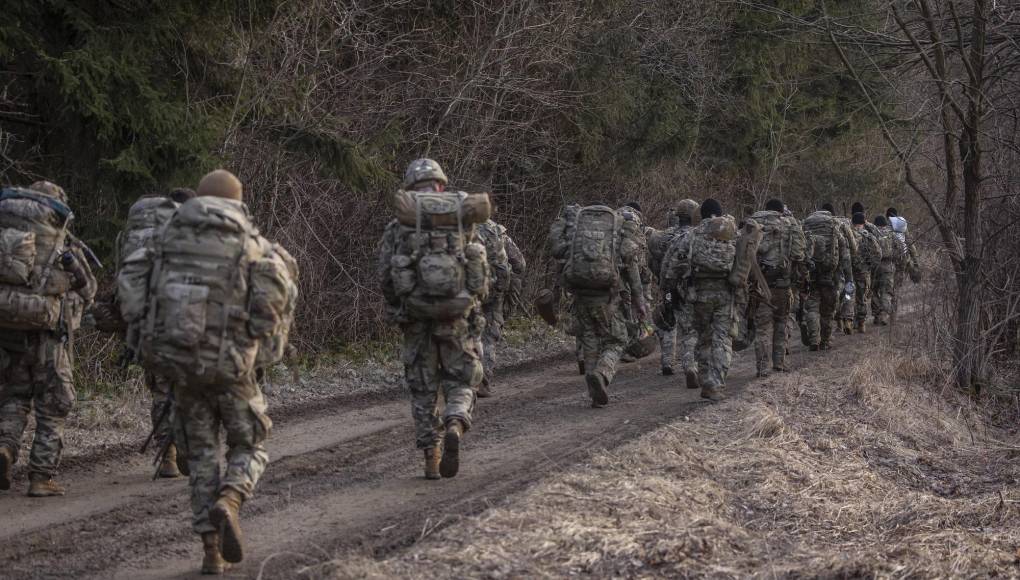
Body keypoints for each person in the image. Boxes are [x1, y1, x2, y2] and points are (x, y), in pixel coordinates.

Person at [117, 169, 298, 574]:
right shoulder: (252, 245)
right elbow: (276, 302)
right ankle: (231, 499)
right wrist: (263, 352)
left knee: (199, 459)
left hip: (181, 368)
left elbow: (128, 285)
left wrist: (145, 329)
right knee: (250, 445)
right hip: (234, 368)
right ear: (236, 201)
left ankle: (211, 552)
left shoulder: (165, 241)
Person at [377, 159, 488, 480]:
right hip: (458, 316)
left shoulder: (399, 226)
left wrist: (402, 305)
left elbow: (385, 276)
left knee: (423, 389)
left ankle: (431, 457)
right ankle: (455, 421)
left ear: (410, 187)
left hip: (416, 318)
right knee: (463, 380)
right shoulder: (462, 221)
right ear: (441, 184)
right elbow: (480, 268)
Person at [0, 181, 97, 496]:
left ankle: (5, 449)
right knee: (55, 403)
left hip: (7, 330)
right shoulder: (62, 242)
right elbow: (89, 290)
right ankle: (41, 476)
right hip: (49, 336)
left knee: (13, 398)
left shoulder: (7, 239)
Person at [101, 187, 198, 478]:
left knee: (160, 390)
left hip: (144, 325)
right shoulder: (189, 230)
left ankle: (166, 457)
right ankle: (183, 444)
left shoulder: (134, 234)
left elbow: (123, 280)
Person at [550, 202, 646, 407]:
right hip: (607, 298)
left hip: (581, 294)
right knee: (617, 340)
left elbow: (559, 254)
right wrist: (639, 300)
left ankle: (594, 389)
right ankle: (602, 373)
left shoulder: (577, 233)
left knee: (589, 339)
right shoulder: (618, 232)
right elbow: (631, 267)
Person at [660, 198, 737, 401]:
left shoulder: (692, 234)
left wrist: (669, 291)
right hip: (725, 295)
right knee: (722, 339)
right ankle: (716, 382)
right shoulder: (731, 232)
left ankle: (705, 380)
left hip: (698, 295)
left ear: (701, 215)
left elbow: (674, 264)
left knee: (703, 339)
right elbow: (744, 261)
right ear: (720, 213)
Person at [749, 198, 807, 377]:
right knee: (781, 322)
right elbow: (798, 254)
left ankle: (762, 368)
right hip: (783, 284)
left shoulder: (751, 224)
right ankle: (779, 363)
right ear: (781, 210)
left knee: (762, 328)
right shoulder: (789, 224)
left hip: (759, 286)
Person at [651, 199, 700, 383]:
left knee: (668, 322)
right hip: (691, 287)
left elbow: (655, 260)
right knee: (690, 329)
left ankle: (667, 362)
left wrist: (663, 285)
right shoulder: (696, 236)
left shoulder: (664, 236)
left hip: (670, 284)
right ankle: (690, 365)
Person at [801, 202, 852, 351]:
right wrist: (849, 278)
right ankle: (826, 340)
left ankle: (814, 340)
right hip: (831, 275)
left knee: (812, 307)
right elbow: (845, 254)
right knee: (828, 310)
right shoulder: (835, 225)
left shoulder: (806, 224)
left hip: (811, 274)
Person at [474, 218, 512, 398]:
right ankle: (483, 379)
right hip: (493, 290)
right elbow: (519, 262)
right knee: (489, 335)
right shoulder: (496, 231)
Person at [844, 207, 882, 333]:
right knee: (861, 298)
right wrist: (871, 266)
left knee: (848, 295)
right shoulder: (867, 236)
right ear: (863, 223)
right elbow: (878, 254)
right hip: (863, 272)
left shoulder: (846, 234)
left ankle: (848, 320)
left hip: (847, 272)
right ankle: (861, 324)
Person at [870, 214, 903, 326]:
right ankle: (884, 314)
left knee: (873, 291)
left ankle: (876, 315)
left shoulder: (871, 233)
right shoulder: (892, 234)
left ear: (876, 224)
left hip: (874, 266)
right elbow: (900, 250)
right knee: (887, 292)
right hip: (888, 265)